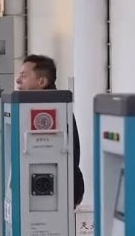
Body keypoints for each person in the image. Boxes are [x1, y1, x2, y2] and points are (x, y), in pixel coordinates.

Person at [15, 54, 85, 208]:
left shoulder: (54, 110)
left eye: (24, 75)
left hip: (56, 192)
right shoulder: (30, 109)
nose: (18, 80)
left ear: (42, 82)